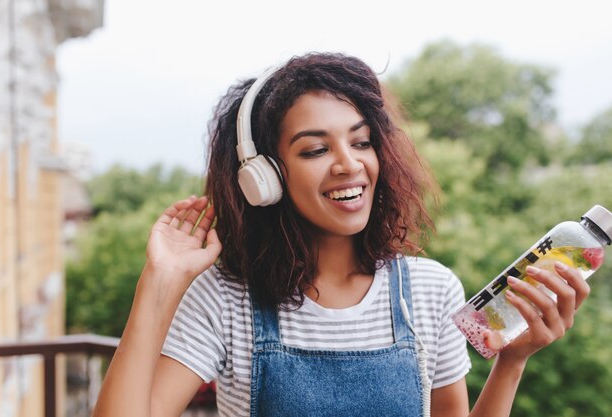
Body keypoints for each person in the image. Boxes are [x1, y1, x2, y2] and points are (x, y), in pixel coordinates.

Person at [92, 52, 590, 417]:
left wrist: (511, 363)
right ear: (264, 179)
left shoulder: (430, 289)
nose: (349, 165)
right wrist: (159, 281)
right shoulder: (224, 299)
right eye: (314, 150)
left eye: (361, 141)